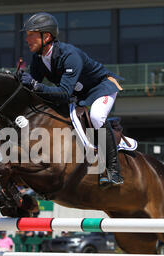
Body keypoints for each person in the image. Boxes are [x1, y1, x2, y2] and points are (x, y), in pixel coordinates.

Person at [20, 12, 124, 187]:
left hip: (100, 88)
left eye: (31, 34)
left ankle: (113, 171)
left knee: (97, 117)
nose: (27, 39)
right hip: (79, 96)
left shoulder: (69, 55)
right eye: (27, 35)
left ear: (46, 36)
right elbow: (33, 87)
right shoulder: (38, 58)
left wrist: (35, 86)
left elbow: (63, 93)